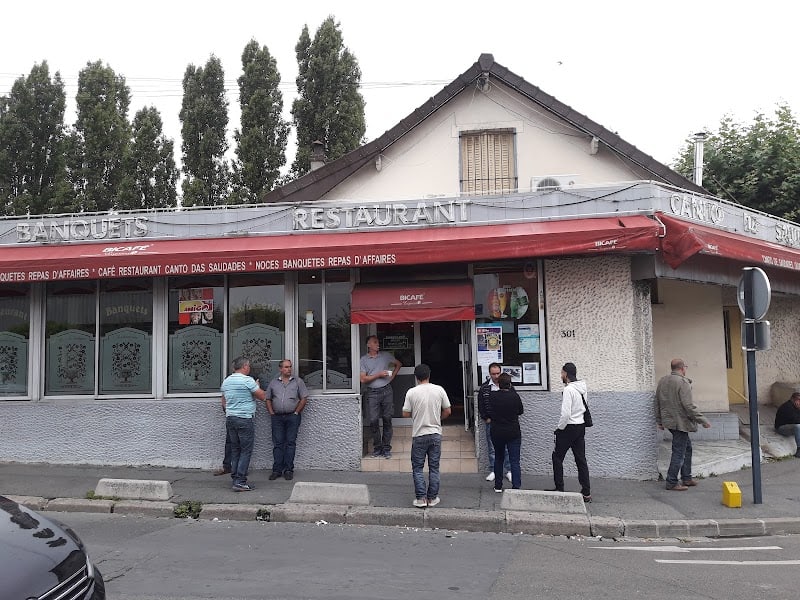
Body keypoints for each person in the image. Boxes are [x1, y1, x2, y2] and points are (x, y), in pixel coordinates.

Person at [655, 358, 711, 491]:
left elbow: (656, 401)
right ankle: (672, 482)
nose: (686, 369)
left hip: (669, 422)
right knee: (679, 451)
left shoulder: (663, 381)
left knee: (687, 448)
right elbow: (689, 405)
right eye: (685, 367)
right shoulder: (682, 382)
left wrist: (659, 421)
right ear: (682, 368)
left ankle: (687, 478)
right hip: (680, 423)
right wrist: (703, 420)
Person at [402, 363, 452, 508]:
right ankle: (432, 498)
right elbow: (448, 411)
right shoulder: (439, 390)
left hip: (419, 434)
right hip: (435, 433)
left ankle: (421, 499)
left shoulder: (411, 392)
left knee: (418, 468)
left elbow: (405, 413)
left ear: (416, 377)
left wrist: (417, 416)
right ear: (429, 375)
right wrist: (438, 418)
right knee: (434, 467)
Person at [220, 356, 266, 492]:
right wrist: (257, 387)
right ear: (245, 366)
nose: (249, 368)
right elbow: (262, 396)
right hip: (244, 418)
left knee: (235, 449)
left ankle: (235, 478)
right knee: (246, 450)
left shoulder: (227, 381)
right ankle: (240, 481)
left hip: (230, 417)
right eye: (249, 366)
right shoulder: (247, 380)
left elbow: (223, 401)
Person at [551, 362, 591, 502]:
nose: (561, 375)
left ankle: (559, 488)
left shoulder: (568, 390)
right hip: (580, 426)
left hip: (568, 427)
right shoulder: (582, 387)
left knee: (557, 457)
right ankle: (586, 492)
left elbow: (566, 414)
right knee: (581, 459)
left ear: (566, 374)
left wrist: (559, 428)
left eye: (562, 373)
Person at [264, 359, 309, 481]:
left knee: (290, 443)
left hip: (292, 417)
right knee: (278, 444)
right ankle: (277, 470)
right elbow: (267, 398)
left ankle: (288, 470)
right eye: (286, 367)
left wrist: (296, 412)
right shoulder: (273, 383)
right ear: (280, 369)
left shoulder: (298, 382)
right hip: (277, 417)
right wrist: (272, 413)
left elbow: (304, 398)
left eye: (290, 367)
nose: (289, 369)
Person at [360, 335, 402, 458]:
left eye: (378, 341)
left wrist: (391, 377)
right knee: (373, 420)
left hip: (386, 390)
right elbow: (363, 379)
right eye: (375, 342)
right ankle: (377, 448)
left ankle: (386, 448)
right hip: (372, 392)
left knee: (387, 418)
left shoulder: (385, 356)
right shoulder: (363, 360)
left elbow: (398, 364)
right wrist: (378, 374)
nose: (378, 344)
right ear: (368, 345)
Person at [489, 372, 524, 492]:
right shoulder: (514, 396)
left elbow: (490, 412)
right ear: (510, 384)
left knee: (499, 458)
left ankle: (498, 486)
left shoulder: (493, 396)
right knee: (515, 460)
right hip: (513, 431)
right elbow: (520, 411)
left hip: (497, 431)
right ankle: (516, 486)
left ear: (498, 384)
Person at [478, 362, 511, 482]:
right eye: (493, 374)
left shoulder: (508, 386)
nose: (496, 376)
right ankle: (493, 470)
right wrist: (485, 418)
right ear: (489, 374)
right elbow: (481, 404)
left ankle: (508, 470)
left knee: (507, 447)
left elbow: (513, 402)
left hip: (505, 422)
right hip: (491, 422)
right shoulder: (485, 387)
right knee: (492, 447)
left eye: (498, 373)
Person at [774, 391, 800, 458]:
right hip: (781, 428)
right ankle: (799, 449)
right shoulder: (787, 407)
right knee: (798, 426)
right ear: (792, 399)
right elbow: (796, 421)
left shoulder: (796, 407)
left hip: (790, 426)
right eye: (798, 400)